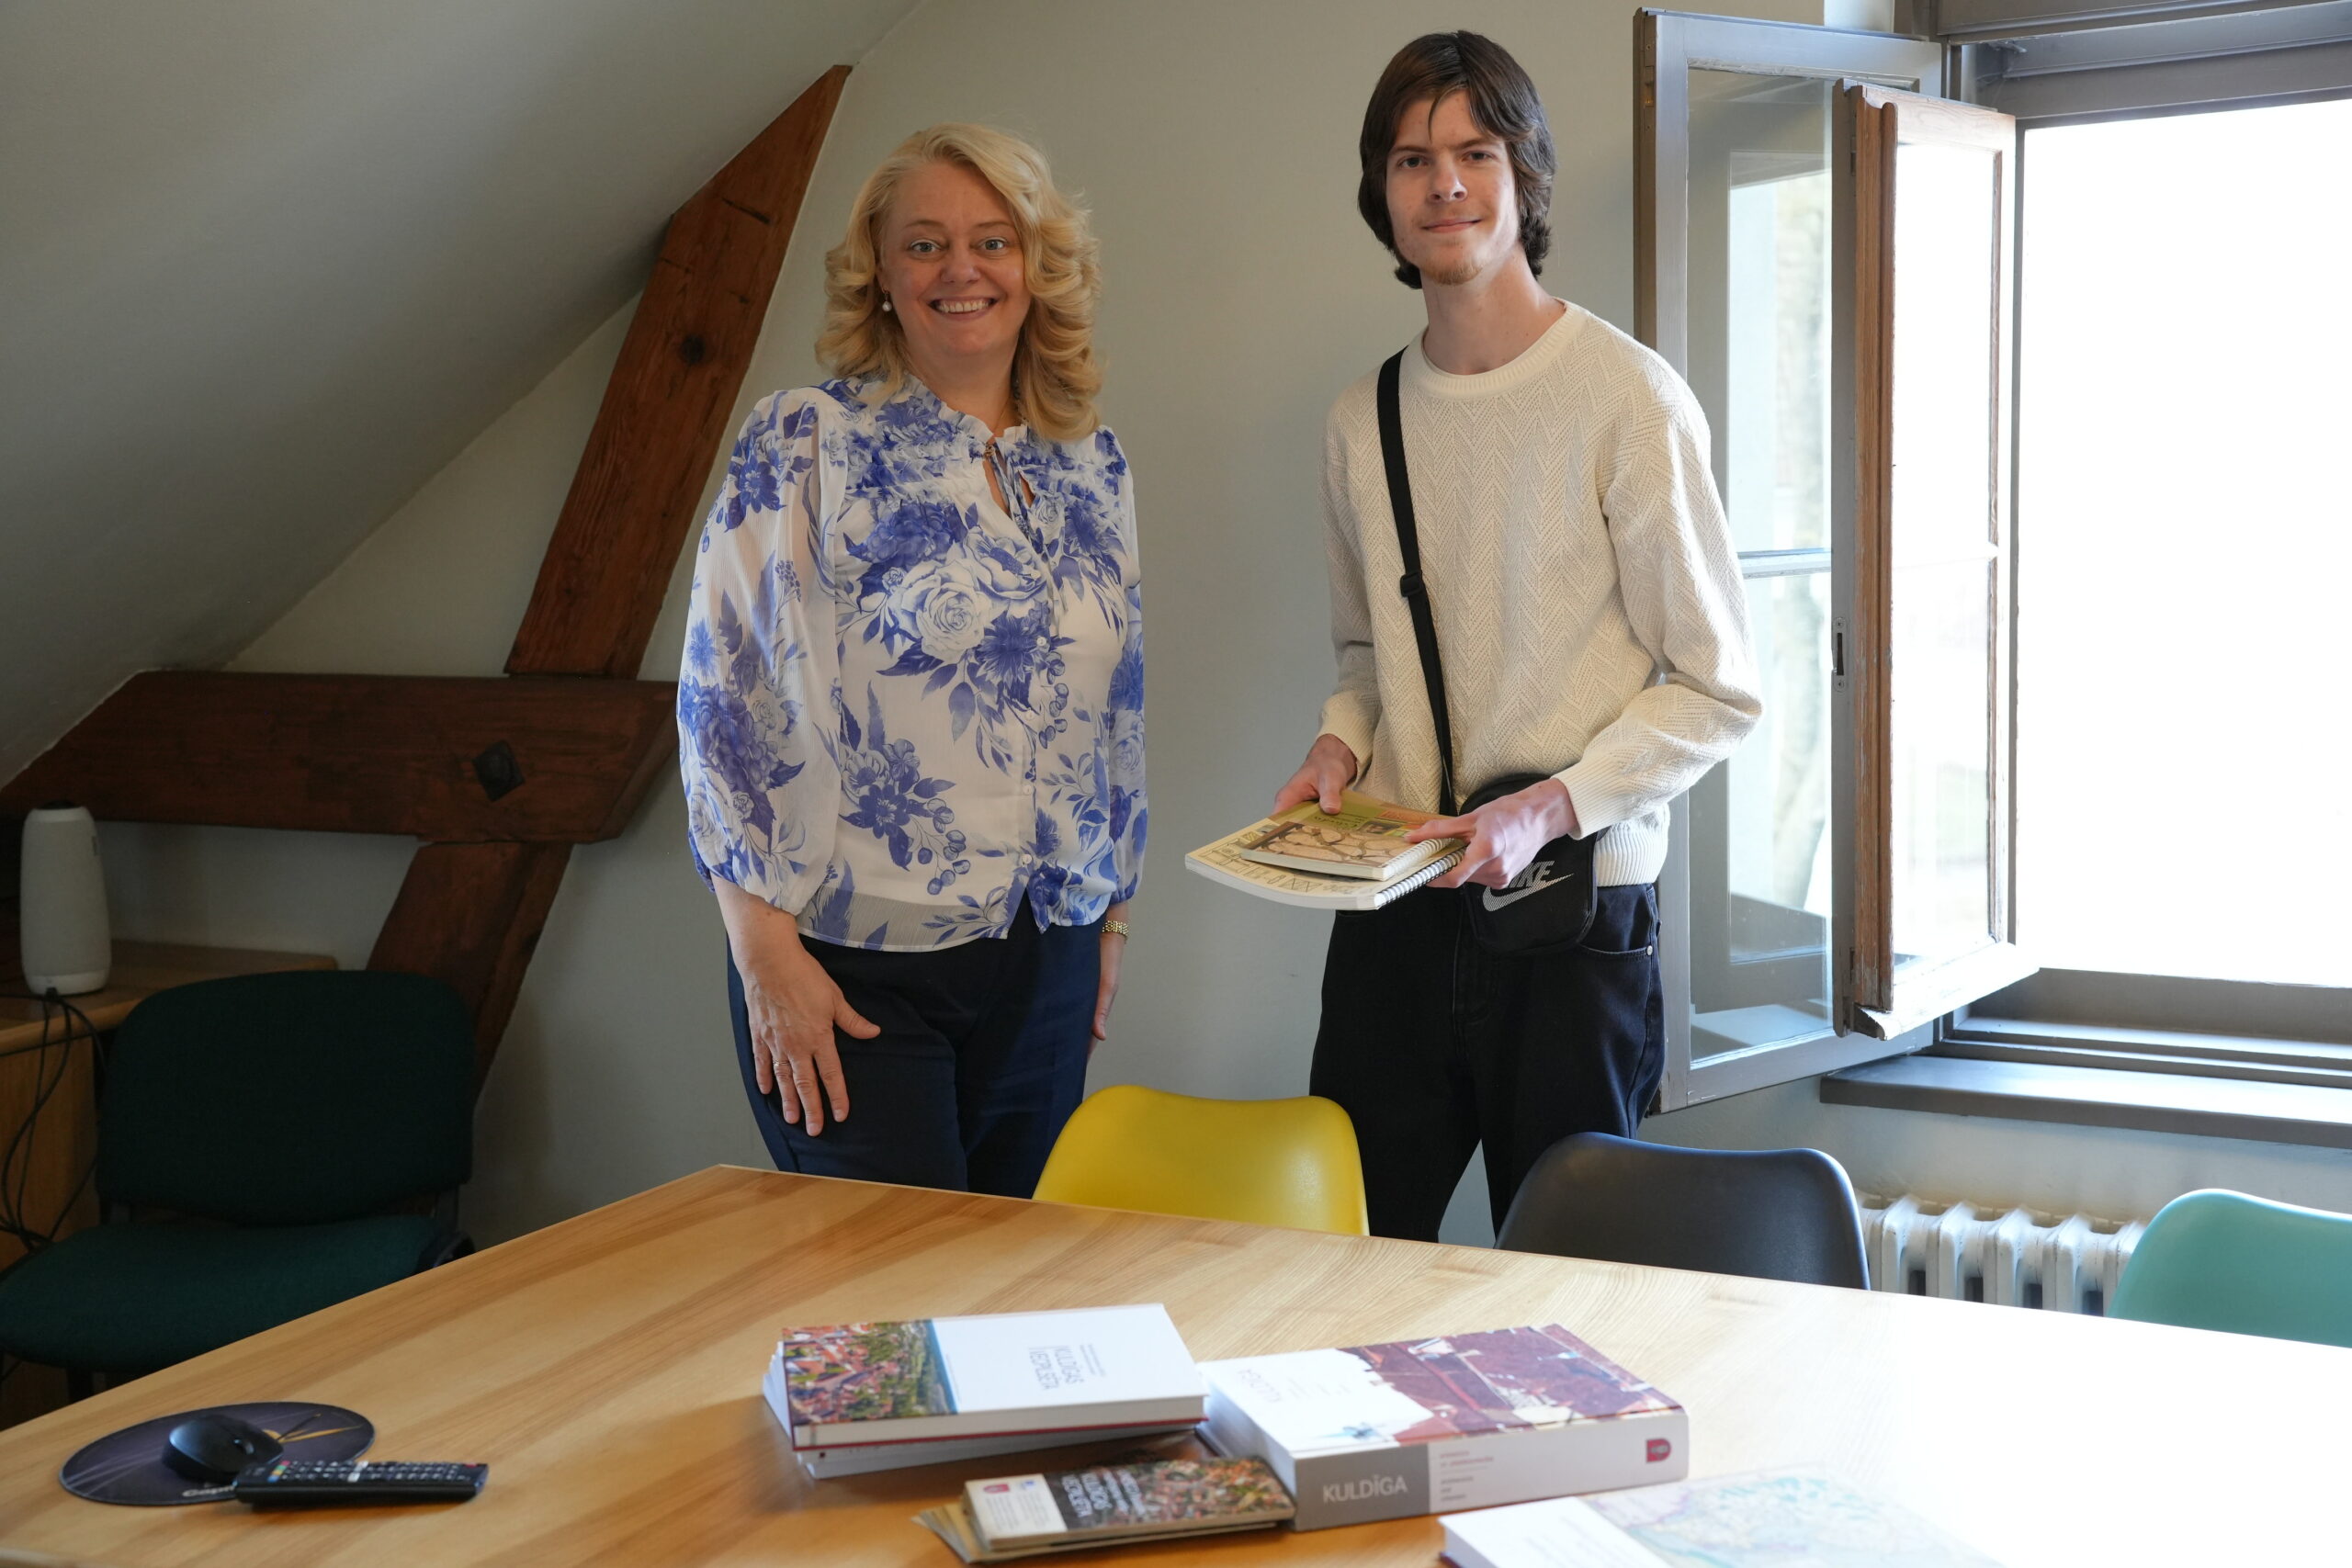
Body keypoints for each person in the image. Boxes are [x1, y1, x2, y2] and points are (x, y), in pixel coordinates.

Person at [1274, 33, 1761, 1241]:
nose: (1444, 182)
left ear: (1524, 174)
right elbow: (1364, 659)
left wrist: (1544, 809)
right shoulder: (1360, 420)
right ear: (1382, 194)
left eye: (1474, 152)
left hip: (1570, 917)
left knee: (1567, 1280)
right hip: (1395, 908)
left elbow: (1717, 688)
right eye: (1411, 158)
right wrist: (1338, 748)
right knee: (1348, 1267)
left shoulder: (1628, 400)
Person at [677, 124, 1144, 1198]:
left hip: (1047, 949)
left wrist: (1110, 910)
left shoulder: (1091, 463)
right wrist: (763, 956)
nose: (959, 270)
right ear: (881, 276)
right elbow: (727, 699)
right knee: (888, 1283)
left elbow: (1114, 708)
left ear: (1036, 266)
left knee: (1007, 1278)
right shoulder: (807, 439)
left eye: (992, 241)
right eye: (924, 245)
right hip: (850, 964)